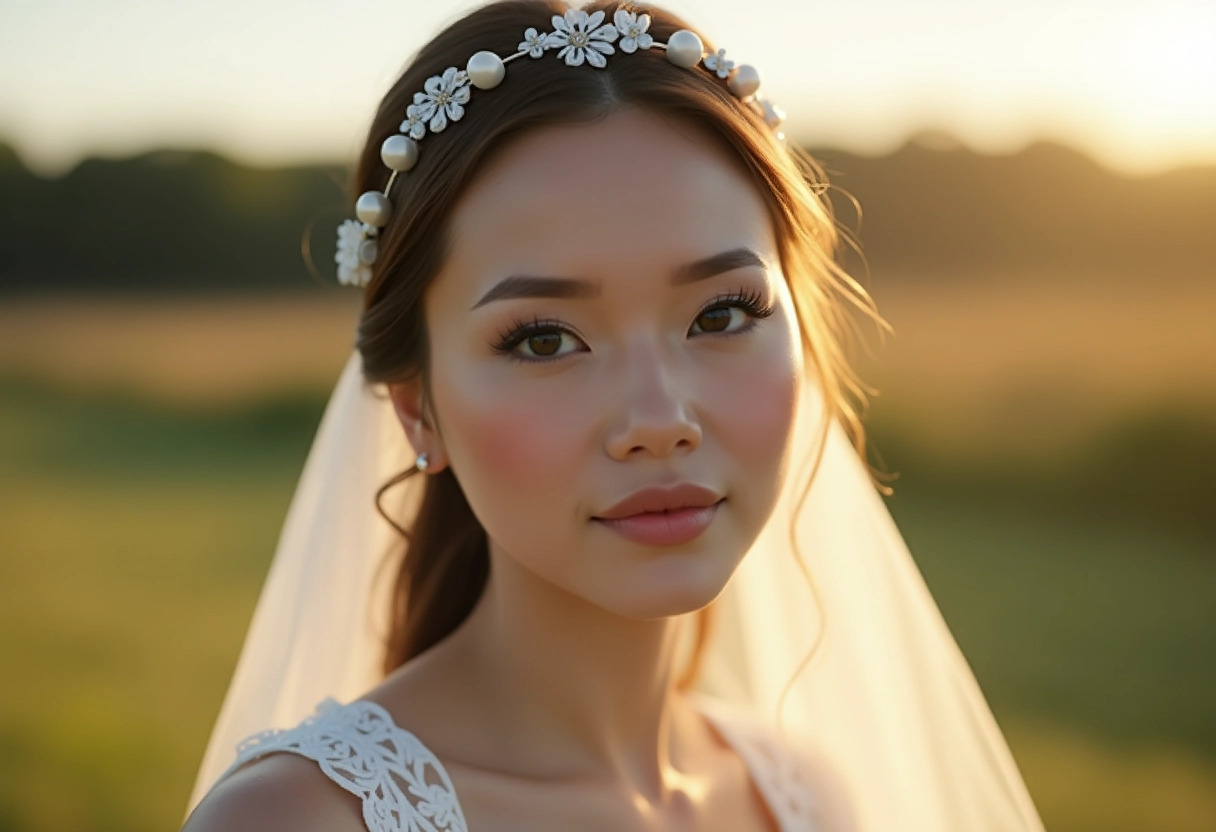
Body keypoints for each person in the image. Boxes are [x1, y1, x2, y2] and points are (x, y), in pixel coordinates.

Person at [181, 1, 1045, 830]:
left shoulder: (808, 801)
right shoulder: (299, 821)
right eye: (545, 340)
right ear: (418, 412)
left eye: (722, 315)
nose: (659, 419)